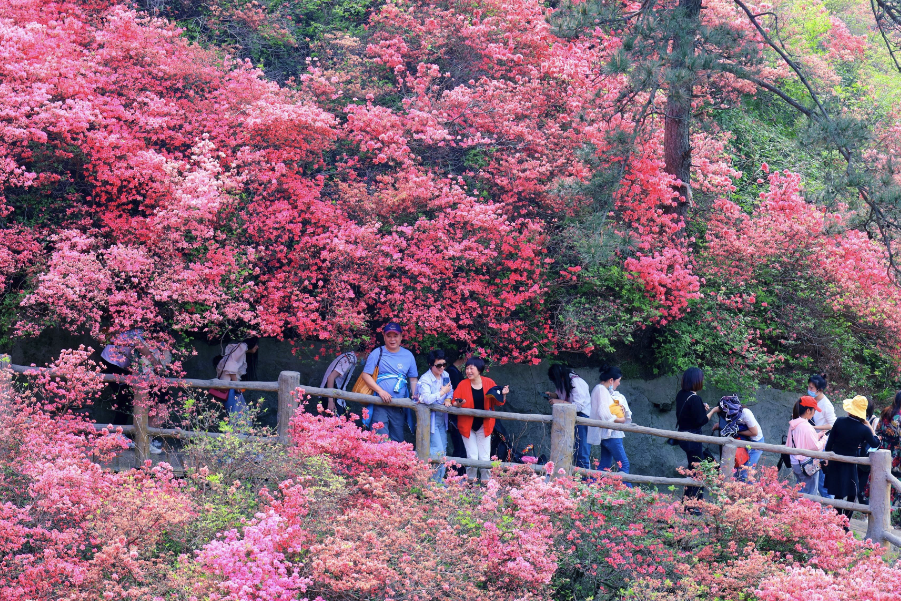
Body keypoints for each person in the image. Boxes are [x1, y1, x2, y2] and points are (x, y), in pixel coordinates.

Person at [824, 395, 881, 521]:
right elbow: (876, 443)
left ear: (850, 409)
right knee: (852, 493)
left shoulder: (839, 421)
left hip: (836, 461)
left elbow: (829, 444)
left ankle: (838, 521)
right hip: (851, 462)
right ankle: (845, 523)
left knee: (838, 493)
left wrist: (827, 458)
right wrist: (869, 426)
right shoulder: (863, 429)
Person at [451, 357, 509, 482]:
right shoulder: (462, 384)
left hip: (485, 424)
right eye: (467, 368)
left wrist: (503, 394)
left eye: (472, 368)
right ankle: (471, 482)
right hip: (467, 426)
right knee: (472, 456)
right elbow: (454, 401)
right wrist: (459, 404)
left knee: (484, 457)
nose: (468, 371)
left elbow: (498, 402)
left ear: (479, 369)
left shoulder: (489, 382)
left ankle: (486, 483)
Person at [360, 322, 418, 443]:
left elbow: (413, 378)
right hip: (379, 403)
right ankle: (377, 462)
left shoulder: (408, 355)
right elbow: (366, 375)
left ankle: (393, 462)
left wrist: (415, 395)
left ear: (401, 337)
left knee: (397, 439)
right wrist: (380, 391)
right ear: (384, 336)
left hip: (399, 405)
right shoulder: (377, 352)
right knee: (379, 438)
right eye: (389, 336)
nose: (392, 339)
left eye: (395, 336)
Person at [674, 367, 719, 499]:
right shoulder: (694, 398)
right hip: (693, 439)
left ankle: (687, 501)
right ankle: (694, 504)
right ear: (696, 381)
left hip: (682, 436)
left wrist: (701, 407)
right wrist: (713, 411)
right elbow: (701, 420)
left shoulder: (681, 395)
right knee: (698, 471)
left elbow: (690, 414)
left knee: (692, 469)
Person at [588, 366, 632, 482]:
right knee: (624, 464)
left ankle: (591, 490)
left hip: (607, 434)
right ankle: (626, 493)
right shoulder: (601, 389)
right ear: (612, 380)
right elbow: (603, 413)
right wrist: (620, 420)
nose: (619, 383)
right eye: (619, 381)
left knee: (604, 466)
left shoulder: (601, 389)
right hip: (612, 434)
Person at [416, 350, 454, 482]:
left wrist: (448, 399)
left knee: (442, 450)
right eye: (438, 365)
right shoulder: (425, 379)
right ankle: (430, 482)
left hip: (441, 418)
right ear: (430, 365)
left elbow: (450, 390)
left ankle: (438, 482)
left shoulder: (446, 375)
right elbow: (426, 398)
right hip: (429, 420)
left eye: (444, 364)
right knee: (436, 450)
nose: (442, 368)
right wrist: (442, 392)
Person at [546, 364, 592, 470]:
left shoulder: (576, 382)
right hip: (569, 417)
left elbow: (579, 406)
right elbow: (563, 396)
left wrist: (559, 401)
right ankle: (576, 479)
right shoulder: (564, 381)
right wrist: (554, 395)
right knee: (571, 451)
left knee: (581, 451)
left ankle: (587, 480)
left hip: (582, 417)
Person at [713, 395, 765, 480]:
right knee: (736, 471)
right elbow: (729, 424)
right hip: (741, 442)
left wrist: (734, 431)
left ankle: (748, 492)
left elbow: (754, 432)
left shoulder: (745, 413)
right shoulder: (730, 414)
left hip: (755, 443)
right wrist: (720, 424)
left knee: (746, 473)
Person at [786, 396, 827, 495]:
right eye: (814, 410)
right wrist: (824, 439)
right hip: (807, 464)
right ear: (808, 410)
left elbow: (802, 441)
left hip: (796, 463)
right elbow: (815, 447)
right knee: (810, 494)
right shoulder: (806, 426)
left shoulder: (794, 424)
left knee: (802, 491)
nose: (814, 413)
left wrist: (819, 435)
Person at [216, 336, 259, 420]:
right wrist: (236, 385)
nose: (257, 347)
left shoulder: (240, 349)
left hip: (229, 387)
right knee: (237, 415)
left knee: (237, 414)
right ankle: (236, 433)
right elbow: (230, 366)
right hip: (231, 387)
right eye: (256, 344)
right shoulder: (242, 347)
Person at [807, 374, 836, 497]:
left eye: (812, 388)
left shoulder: (826, 404)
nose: (809, 390)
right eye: (809, 387)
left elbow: (832, 424)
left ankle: (831, 511)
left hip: (824, 443)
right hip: (813, 441)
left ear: (820, 390)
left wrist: (814, 428)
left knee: (822, 481)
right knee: (810, 475)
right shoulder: (811, 400)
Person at [319, 350, 361, 415]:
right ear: (365, 353)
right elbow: (330, 378)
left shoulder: (350, 357)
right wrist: (330, 401)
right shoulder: (348, 359)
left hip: (335, 395)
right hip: (331, 395)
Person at [877, 392, 901, 474]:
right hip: (896, 453)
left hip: (882, 449)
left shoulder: (886, 412)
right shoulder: (899, 417)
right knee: (893, 479)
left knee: (879, 475)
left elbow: (878, 430)